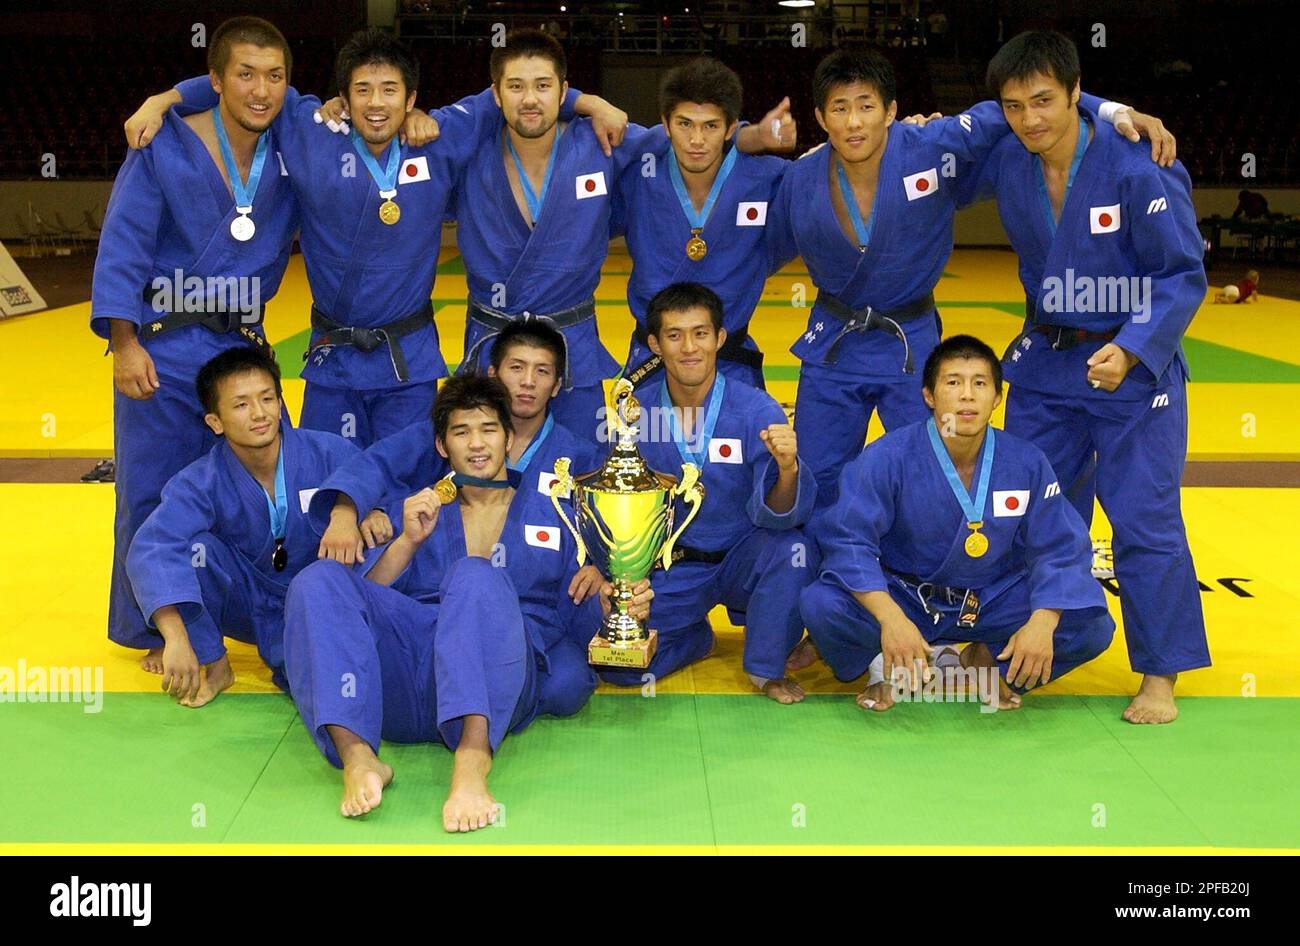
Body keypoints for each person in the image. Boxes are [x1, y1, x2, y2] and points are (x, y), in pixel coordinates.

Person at [125, 28, 626, 447]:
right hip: (333, 361)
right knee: (324, 492)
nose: (377, 102)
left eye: (391, 90)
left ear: (411, 99)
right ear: (343, 97)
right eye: (362, 90)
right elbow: (250, 89)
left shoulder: (439, 135)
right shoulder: (311, 130)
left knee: (408, 494)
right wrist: (168, 97)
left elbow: (517, 96)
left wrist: (588, 102)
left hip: (407, 364)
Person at [766, 48, 1174, 510]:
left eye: (866, 106)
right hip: (833, 342)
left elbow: (1023, 104)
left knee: (930, 473)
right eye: (840, 109)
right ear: (820, 116)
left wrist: (1111, 109)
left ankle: (919, 577)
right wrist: (749, 137)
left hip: (910, 344)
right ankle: (829, 576)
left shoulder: (933, 146)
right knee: (817, 477)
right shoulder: (800, 178)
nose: (855, 122)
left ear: (892, 111)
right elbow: (750, 244)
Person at [282, 376, 651, 828]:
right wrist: (407, 543)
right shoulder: (413, 506)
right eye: (461, 432)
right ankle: (359, 756)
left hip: (497, 683)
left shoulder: (559, 510)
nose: (476, 444)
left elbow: (579, 612)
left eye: (488, 429)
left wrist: (619, 608)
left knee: (476, 575)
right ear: (441, 445)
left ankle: (471, 767)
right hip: (407, 682)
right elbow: (358, 606)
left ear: (509, 437)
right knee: (318, 580)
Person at [970, 30, 1210, 723]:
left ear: (1077, 94)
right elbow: (967, 135)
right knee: (1036, 515)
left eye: (1045, 100)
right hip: (1047, 367)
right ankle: (1016, 647)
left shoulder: (1139, 164)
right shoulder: (1008, 158)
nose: (1030, 118)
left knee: (1143, 517)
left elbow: (1181, 273)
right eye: (1015, 105)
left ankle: (1160, 674)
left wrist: (1134, 348)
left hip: (1135, 373)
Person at [94, 16, 300, 670]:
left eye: (274, 76)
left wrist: (165, 91)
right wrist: (124, 343)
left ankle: (274, 607)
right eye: (244, 75)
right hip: (162, 344)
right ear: (215, 81)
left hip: (241, 346)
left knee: (272, 485)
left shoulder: (290, 135)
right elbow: (123, 244)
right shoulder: (163, 144)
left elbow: (342, 104)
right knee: (152, 489)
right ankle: (155, 627)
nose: (260, 90)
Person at [800, 335, 1115, 713]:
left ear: (997, 398)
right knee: (822, 604)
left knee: (1089, 624)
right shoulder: (887, 456)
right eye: (953, 382)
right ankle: (884, 667)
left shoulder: (1026, 462)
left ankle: (989, 662)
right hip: (907, 597)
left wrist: (1044, 621)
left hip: (994, 600)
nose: (967, 396)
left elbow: (1060, 548)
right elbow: (850, 542)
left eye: (980, 383)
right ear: (929, 396)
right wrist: (890, 619)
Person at [601, 283, 817, 703]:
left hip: (741, 555)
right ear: (654, 344)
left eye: (700, 333)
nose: (689, 348)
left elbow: (781, 512)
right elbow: (615, 506)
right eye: (674, 335)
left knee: (794, 549)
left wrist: (788, 468)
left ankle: (765, 668)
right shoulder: (635, 414)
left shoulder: (757, 409)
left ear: (720, 338)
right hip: (669, 567)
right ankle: (696, 638)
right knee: (620, 666)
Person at [452, 28, 662, 443]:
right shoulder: (465, 152)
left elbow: (685, 142)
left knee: (582, 469)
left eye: (543, 86)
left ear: (562, 91)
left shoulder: (601, 143)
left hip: (573, 348)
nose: (529, 99)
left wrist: (750, 137)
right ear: (495, 95)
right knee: (483, 475)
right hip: (493, 347)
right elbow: (396, 135)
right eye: (515, 86)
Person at [126, 347, 367, 706]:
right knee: (197, 551)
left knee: (314, 679)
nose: (259, 414)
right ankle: (216, 665)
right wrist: (174, 636)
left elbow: (376, 481)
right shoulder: (201, 480)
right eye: (241, 405)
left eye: (268, 399)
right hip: (247, 602)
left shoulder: (327, 450)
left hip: (317, 600)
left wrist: (352, 511)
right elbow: (151, 546)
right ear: (215, 422)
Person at [308, 319, 601, 564]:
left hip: (533, 597)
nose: (528, 382)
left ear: (556, 386)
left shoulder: (579, 456)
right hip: (448, 585)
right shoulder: (450, 431)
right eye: (516, 367)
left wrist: (596, 568)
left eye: (543, 371)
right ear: (493, 374)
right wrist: (348, 511)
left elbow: (603, 531)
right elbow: (378, 464)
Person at [612, 57, 796, 390]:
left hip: (732, 362)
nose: (696, 139)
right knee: (637, 442)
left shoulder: (767, 179)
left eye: (710, 126)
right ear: (665, 125)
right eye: (684, 124)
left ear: (730, 128)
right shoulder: (636, 175)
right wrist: (583, 101)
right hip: (652, 360)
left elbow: (834, 174)